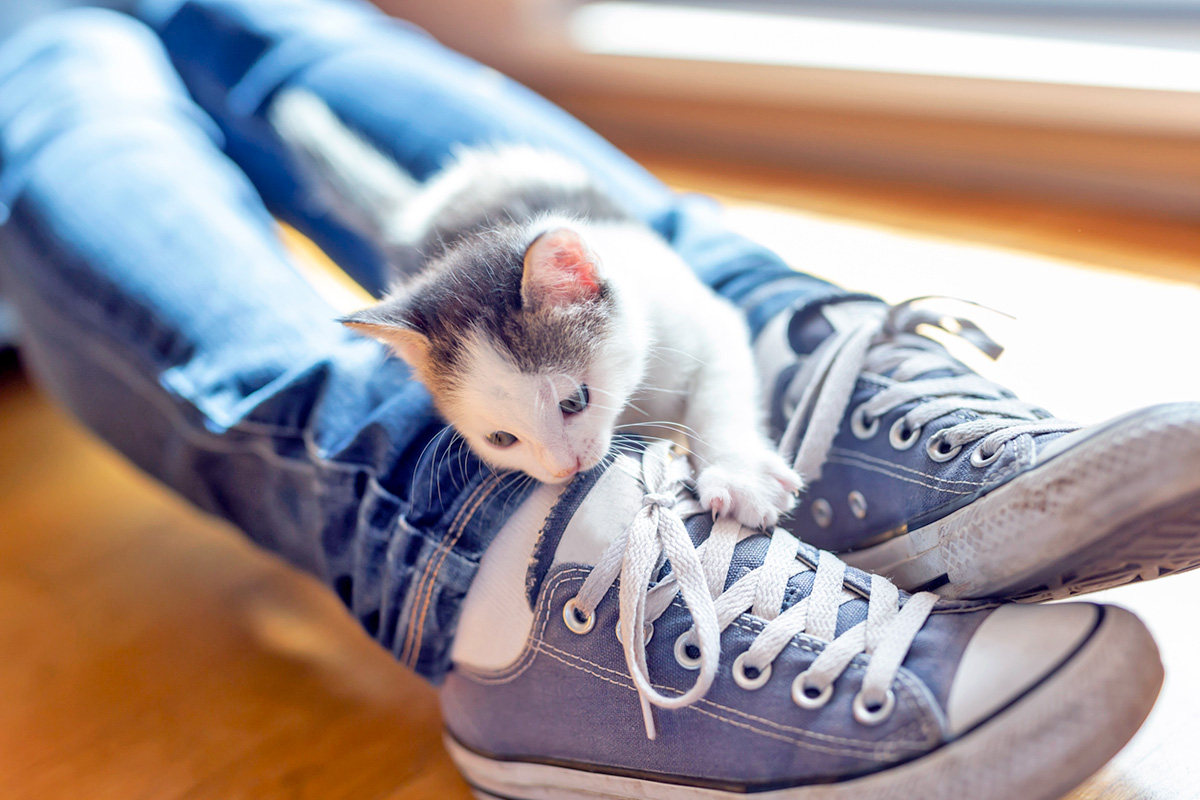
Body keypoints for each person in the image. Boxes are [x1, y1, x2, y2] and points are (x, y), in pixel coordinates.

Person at [0, 1, 1191, 797]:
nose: (555, 447)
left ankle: (780, 348)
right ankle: (466, 542)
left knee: (236, 13)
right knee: (64, 55)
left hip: (592, 312)